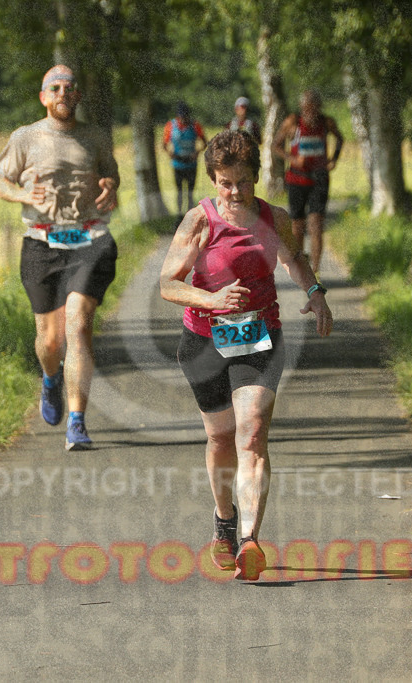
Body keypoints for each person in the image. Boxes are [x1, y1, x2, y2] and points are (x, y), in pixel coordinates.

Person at [159, 130, 333, 581]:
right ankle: (224, 523)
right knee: (220, 439)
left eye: (242, 181)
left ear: (256, 177)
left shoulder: (273, 218)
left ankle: (251, 539)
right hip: (203, 341)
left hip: (260, 336)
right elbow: (168, 284)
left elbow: (294, 259)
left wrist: (314, 292)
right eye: (224, 183)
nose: (234, 192)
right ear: (214, 181)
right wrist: (212, 301)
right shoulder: (199, 222)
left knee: (252, 433)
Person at [0, 65, 120, 452]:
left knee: (78, 324)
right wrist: (22, 196)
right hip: (42, 244)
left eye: (70, 87)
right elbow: (1, 182)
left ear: (78, 96)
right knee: (50, 341)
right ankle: (51, 380)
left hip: (90, 239)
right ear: (44, 96)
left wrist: (109, 186)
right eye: (55, 87)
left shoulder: (96, 137)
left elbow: (111, 176)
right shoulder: (25, 137)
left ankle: (77, 422)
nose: (63, 92)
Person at [272, 89, 344, 275]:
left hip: (319, 178)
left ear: (319, 108)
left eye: (315, 109)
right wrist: (292, 159)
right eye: (307, 108)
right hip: (296, 178)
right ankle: (300, 265)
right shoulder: (293, 122)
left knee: (316, 224)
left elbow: (340, 138)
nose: (311, 113)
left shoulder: (326, 122)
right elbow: (276, 145)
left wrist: (334, 158)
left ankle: (316, 271)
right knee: (298, 225)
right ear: (302, 107)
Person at [163, 102, 208, 217]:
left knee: (190, 193)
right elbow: (164, 144)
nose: (183, 119)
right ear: (177, 116)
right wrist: (170, 153)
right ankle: (179, 216)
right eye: (181, 116)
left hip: (191, 164)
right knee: (179, 192)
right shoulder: (171, 126)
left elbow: (205, 142)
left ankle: (190, 216)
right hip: (177, 164)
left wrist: (197, 152)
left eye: (185, 116)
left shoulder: (195, 126)